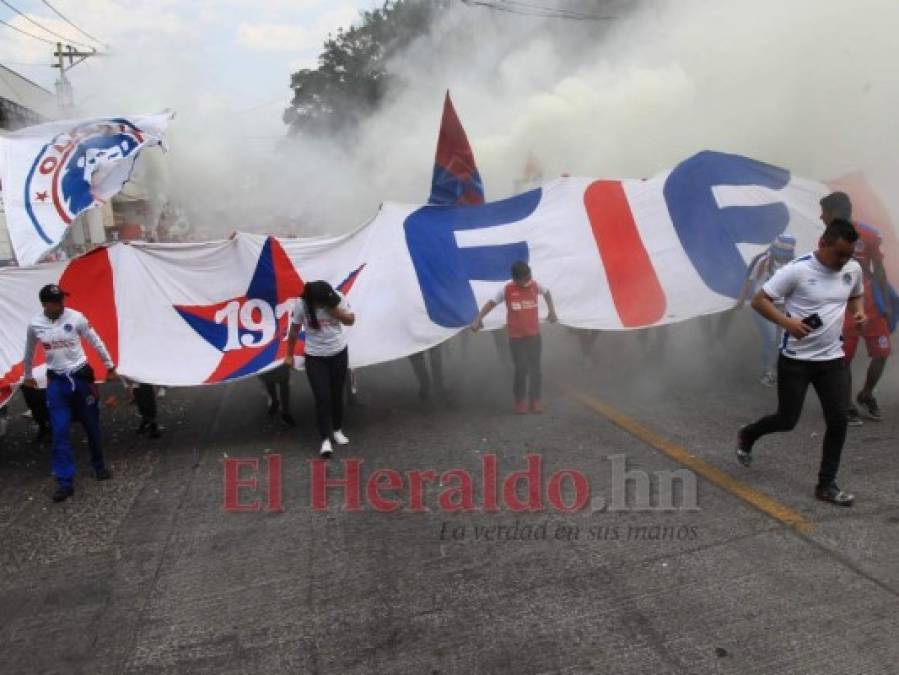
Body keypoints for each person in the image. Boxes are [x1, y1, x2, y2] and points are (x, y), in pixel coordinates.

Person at [735, 219, 864, 506]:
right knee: (786, 420)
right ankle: (748, 434)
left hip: (833, 360)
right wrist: (787, 322)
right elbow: (759, 300)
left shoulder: (851, 269)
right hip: (797, 360)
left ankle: (826, 484)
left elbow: (856, 295)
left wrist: (859, 313)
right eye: (839, 254)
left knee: (838, 420)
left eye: (848, 255)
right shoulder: (797, 270)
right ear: (823, 243)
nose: (844, 261)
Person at [22, 284, 118, 503]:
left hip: (80, 378)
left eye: (62, 299)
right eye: (56, 301)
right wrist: (28, 374)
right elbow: (28, 351)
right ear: (45, 304)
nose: (61, 304)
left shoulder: (76, 318)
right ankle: (65, 481)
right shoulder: (35, 325)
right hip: (56, 383)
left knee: (92, 425)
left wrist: (109, 365)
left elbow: (95, 340)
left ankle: (99, 466)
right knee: (59, 430)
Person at [819, 192, 892, 426]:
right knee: (844, 358)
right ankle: (846, 404)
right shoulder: (826, 239)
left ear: (835, 213)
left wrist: (887, 302)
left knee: (882, 352)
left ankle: (866, 394)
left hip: (870, 302)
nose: (821, 217)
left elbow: (878, 268)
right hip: (844, 305)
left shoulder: (869, 234)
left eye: (824, 213)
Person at [470, 260, 558, 413]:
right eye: (524, 279)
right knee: (521, 368)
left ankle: (536, 400)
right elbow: (490, 304)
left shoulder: (535, 285)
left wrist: (552, 311)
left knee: (535, 369)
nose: (528, 281)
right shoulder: (507, 289)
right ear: (515, 279)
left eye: (529, 277)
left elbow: (547, 293)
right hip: (516, 338)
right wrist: (478, 319)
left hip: (534, 336)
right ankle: (520, 401)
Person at [285, 280, 355, 458]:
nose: (323, 305)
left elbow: (351, 321)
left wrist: (335, 312)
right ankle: (325, 439)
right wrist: (289, 355)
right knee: (322, 397)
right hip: (315, 357)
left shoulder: (336, 298)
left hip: (338, 352)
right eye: (320, 302)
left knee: (336, 393)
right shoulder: (302, 305)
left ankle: (337, 429)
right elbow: (293, 331)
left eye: (326, 301)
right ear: (312, 300)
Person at [735, 233, 797, 387]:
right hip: (762, 305)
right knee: (769, 339)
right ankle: (766, 371)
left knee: (784, 339)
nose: (782, 258)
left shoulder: (795, 264)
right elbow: (749, 280)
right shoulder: (762, 260)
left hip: (783, 307)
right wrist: (741, 300)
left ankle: (780, 368)